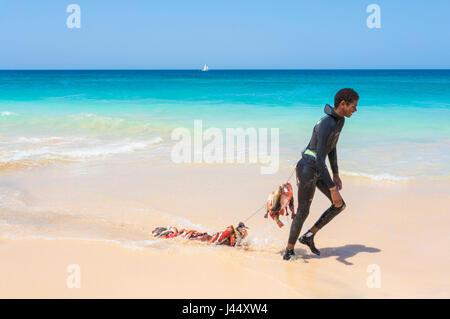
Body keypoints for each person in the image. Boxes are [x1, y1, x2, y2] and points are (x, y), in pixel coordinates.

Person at [283, 88, 359, 260]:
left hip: (319, 169)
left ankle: (308, 236)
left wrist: (336, 174)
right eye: (353, 106)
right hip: (307, 168)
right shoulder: (327, 123)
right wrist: (332, 189)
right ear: (343, 104)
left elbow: (332, 148)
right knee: (303, 211)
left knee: (339, 205)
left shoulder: (340, 122)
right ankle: (289, 251)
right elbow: (318, 159)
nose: (355, 110)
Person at [152, 222, 249, 247]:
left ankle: (236, 231)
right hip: (207, 239)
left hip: (207, 238)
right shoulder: (176, 235)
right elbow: (230, 229)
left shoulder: (175, 235)